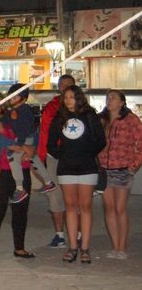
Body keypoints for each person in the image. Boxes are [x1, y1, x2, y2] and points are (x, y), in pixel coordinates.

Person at [46, 85, 106, 264]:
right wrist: (63, 155)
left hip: (87, 167)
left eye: (72, 97)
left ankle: (85, 248)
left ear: (79, 98)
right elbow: (50, 144)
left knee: (85, 206)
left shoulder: (89, 116)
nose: (68, 100)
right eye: (66, 97)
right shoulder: (59, 118)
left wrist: (87, 154)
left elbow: (101, 140)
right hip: (66, 168)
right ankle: (72, 247)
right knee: (70, 206)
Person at [0, 88, 35, 261]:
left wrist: (30, 148)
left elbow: (31, 131)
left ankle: (20, 247)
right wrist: (20, 147)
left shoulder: (14, 115)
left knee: (21, 210)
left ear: (1, 100)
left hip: (21, 167)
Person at [97, 90, 142, 260]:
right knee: (109, 208)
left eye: (114, 98)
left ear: (122, 102)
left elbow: (140, 142)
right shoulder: (101, 120)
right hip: (104, 169)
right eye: (108, 97)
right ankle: (115, 246)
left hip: (123, 169)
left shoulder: (131, 120)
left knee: (120, 208)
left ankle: (122, 247)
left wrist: (133, 165)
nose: (110, 100)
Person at [38, 74, 75, 248]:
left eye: (68, 85)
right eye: (62, 84)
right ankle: (59, 234)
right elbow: (44, 132)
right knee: (55, 195)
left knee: (75, 197)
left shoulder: (83, 110)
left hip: (75, 157)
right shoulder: (51, 107)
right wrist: (43, 155)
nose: (64, 87)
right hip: (54, 156)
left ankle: (78, 234)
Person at [4, 83, 57, 204]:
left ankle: (19, 187)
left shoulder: (25, 110)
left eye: (15, 97)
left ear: (23, 98)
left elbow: (26, 129)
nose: (12, 99)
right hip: (27, 138)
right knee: (34, 159)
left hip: (26, 138)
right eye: (10, 96)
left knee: (12, 156)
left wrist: (20, 144)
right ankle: (48, 181)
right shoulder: (13, 111)